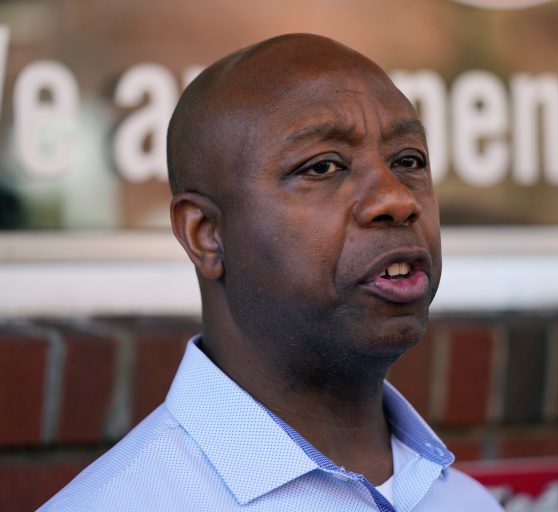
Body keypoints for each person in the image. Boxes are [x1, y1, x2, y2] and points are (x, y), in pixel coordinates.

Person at [40, 33, 503, 511]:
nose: (397, 199)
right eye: (323, 167)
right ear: (206, 234)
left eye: (408, 161)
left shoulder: (467, 502)